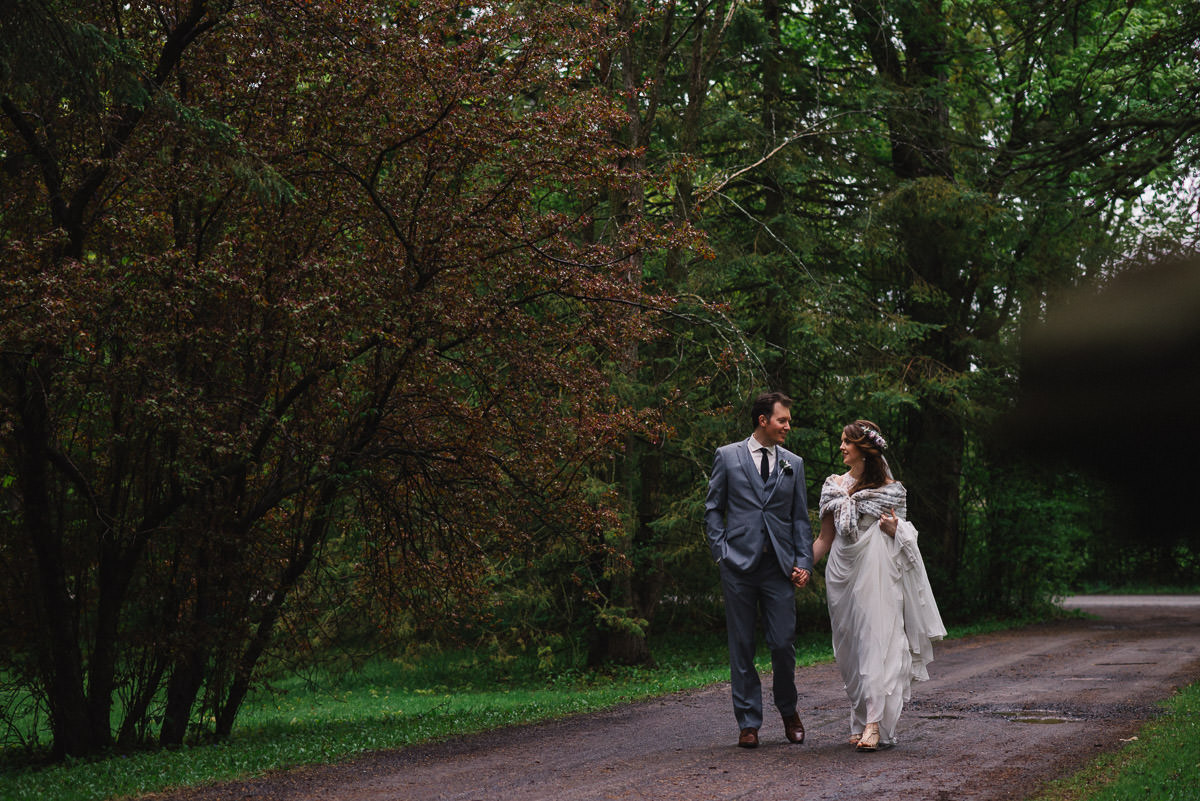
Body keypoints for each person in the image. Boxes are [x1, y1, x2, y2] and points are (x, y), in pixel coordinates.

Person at [812, 419, 945, 751]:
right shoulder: (833, 486)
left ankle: (873, 724)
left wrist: (896, 529)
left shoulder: (891, 490)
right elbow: (824, 539)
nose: (841, 447)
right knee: (848, 649)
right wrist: (799, 566)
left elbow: (904, 533)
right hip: (841, 572)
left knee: (876, 638)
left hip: (877, 570)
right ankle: (859, 718)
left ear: (864, 449)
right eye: (842, 441)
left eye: (847, 442)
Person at [704, 391, 813, 748]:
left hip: (778, 567)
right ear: (763, 420)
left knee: (782, 644)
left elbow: (800, 519)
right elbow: (713, 509)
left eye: (789, 421)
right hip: (737, 566)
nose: (788, 426)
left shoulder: (793, 464)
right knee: (742, 645)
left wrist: (803, 562)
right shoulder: (727, 456)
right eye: (783, 420)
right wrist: (721, 553)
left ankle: (788, 710)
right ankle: (748, 722)